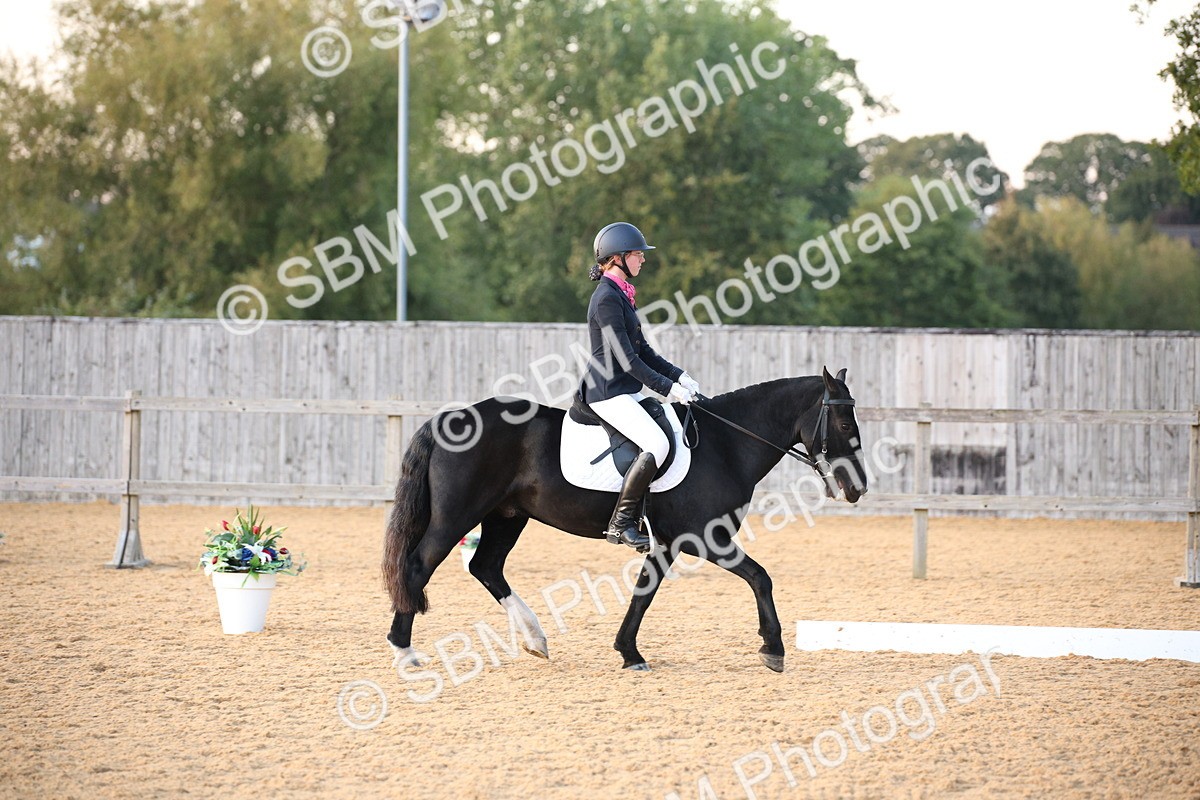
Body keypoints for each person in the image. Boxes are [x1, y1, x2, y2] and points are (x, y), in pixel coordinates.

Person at [581, 222, 701, 550]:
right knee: (657, 444)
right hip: (607, 392)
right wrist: (667, 389)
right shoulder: (606, 298)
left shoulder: (621, 295)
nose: (642, 260)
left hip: (625, 390)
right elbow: (626, 361)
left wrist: (679, 376)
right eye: (637, 254)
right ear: (618, 258)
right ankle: (620, 524)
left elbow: (643, 351)